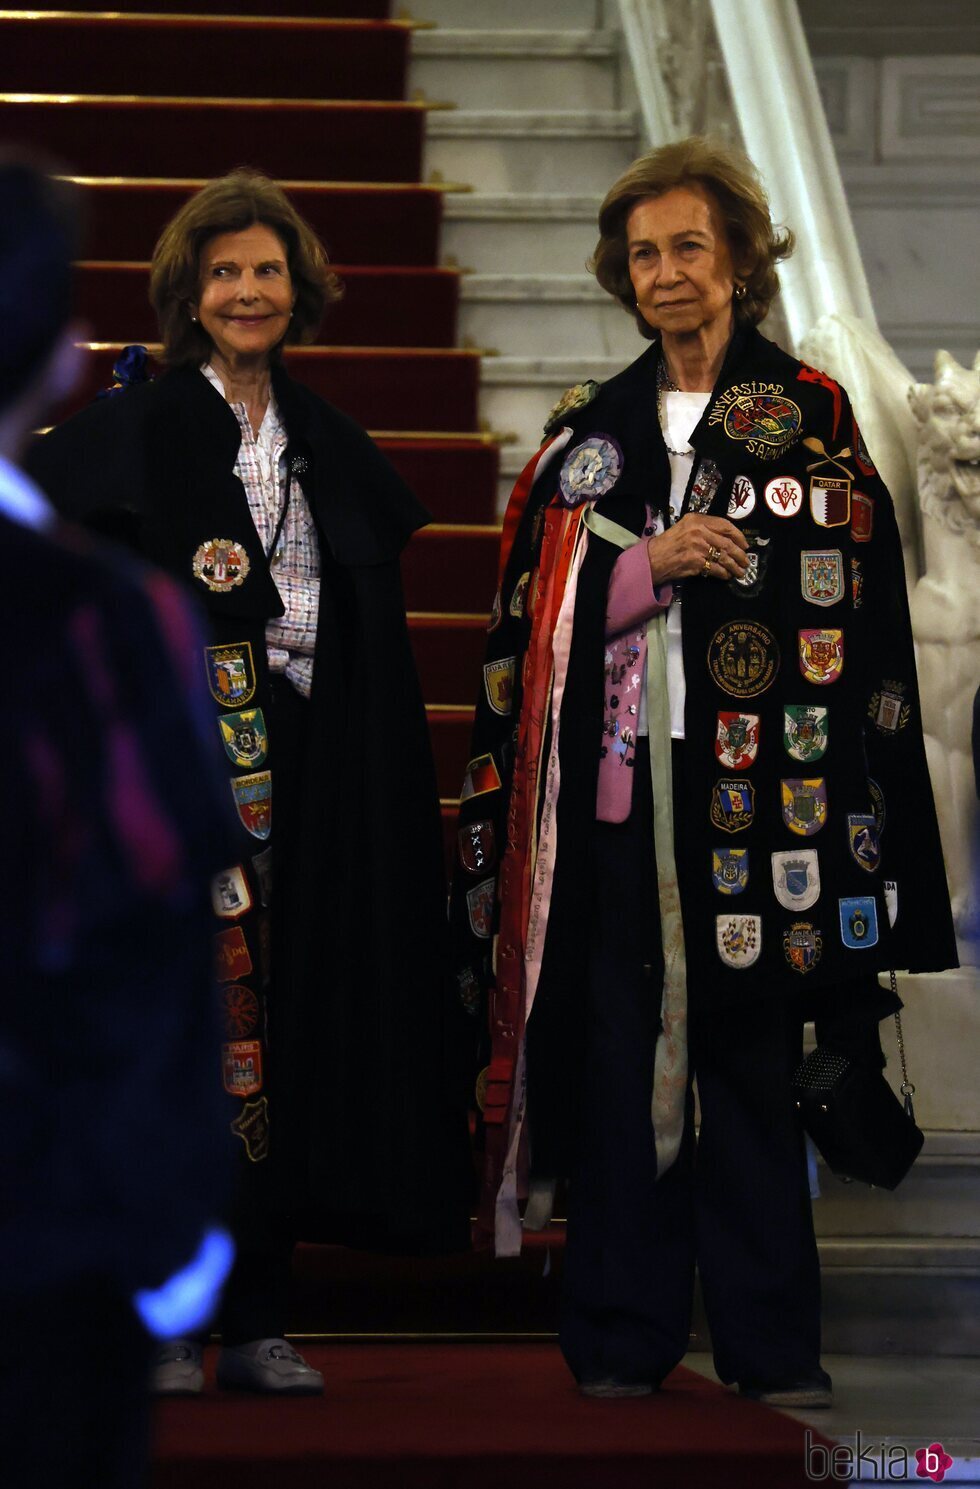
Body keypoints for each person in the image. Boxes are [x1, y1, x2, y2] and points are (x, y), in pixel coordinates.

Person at [450, 136, 957, 1405]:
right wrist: (645, 567)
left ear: (737, 260)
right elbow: (530, 611)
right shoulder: (586, 431)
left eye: (688, 247)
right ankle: (620, 1335)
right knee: (623, 1065)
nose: (666, 272)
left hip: (767, 804)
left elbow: (859, 600)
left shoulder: (813, 414)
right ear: (621, 279)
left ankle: (767, 1343)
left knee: (746, 1063)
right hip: (624, 801)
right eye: (642, 255)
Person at [28, 169, 471, 1396]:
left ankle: (262, 1313)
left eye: (267, 270)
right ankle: (164, 1317)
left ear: (300, 290)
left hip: (309, 782)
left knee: (281, 1039)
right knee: (180, 1039)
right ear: (187, 291)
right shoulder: (134, 428)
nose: (246, 290)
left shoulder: (330, 442)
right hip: (171, 789)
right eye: (224, 271)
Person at [0, 156, 232, 1487]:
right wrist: (171, 1232)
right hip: (51, 1226)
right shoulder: (108, 618)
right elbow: (151, 936)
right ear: (53, 361)